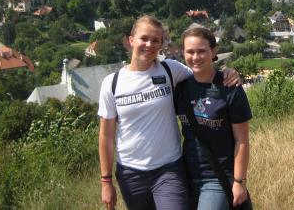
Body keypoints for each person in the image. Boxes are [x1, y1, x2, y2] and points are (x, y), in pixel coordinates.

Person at [98, 16, 240, 210]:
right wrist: (106, 181)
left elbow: (203, 72)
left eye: (156, 40)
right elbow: (106, 136)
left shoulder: (170, 70)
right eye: (144, 38)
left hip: (169, 170)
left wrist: (227, 72)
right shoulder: (112, 84)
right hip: (131, 174)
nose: (150, 44)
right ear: (131, 40)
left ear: (161, 44)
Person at [175, 27, 252, 210]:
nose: (196, 57)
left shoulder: (229, 87)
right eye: (190, 52)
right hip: (184, 174)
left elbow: (242, 141)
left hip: (217, 177)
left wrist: (239, 181)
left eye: (202, 51)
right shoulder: (180, 87)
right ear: (183, 53)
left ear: (214, 51)